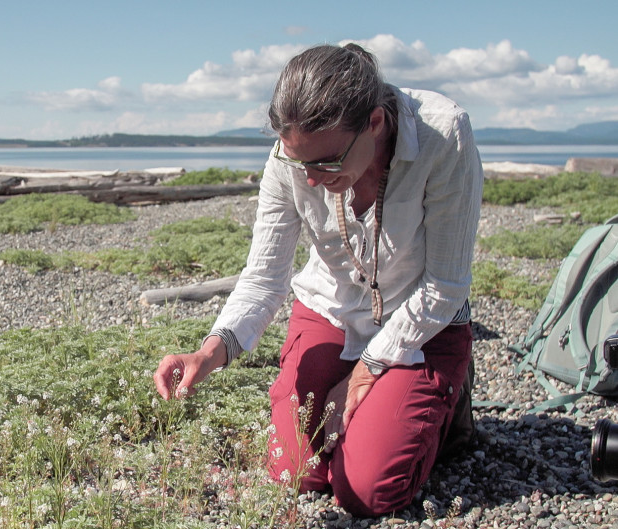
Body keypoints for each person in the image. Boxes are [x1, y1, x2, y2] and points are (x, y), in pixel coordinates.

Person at [153, 42, 483, 517]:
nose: (309, 179)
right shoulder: (292, 155)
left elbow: (446, 286)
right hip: (333, 309)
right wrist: (211, 350)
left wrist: (363, 372)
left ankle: (446, 403)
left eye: (325, 163)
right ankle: (393, 407)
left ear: (374, 123)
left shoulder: (444, 134)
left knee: (366, 492)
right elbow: (265, 277)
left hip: (423, 322)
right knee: (298, 474)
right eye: (298, 162)